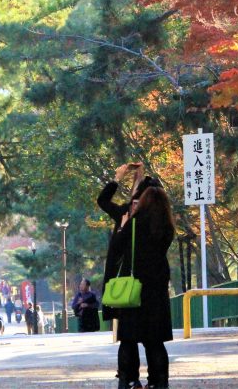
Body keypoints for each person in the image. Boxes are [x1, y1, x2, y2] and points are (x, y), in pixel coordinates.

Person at [98, 163, 158, 389]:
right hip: (126, 283)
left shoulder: (142, 220)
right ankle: (134, 378)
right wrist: (120, 177)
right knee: (130, 335)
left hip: (137, 282)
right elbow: (103, 201)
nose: (133, 204)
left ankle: (136, 379)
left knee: (136, 335)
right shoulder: (130, 214)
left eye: (137, 200)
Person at [108, 186, 174, 389]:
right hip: (157, 289)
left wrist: (123, 226)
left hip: (134, 288)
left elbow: (116, 247)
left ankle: (127, 380)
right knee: (155, 340)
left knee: (128, 338)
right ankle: (159, 381)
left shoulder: (135, 223)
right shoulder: (167, 226)